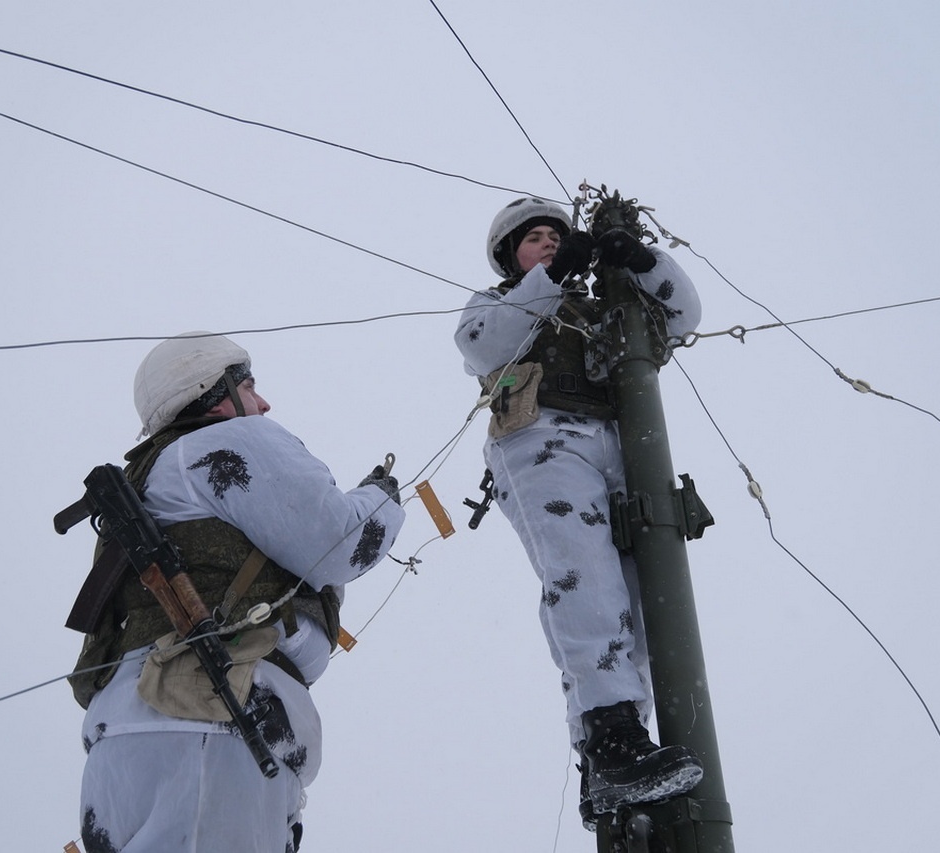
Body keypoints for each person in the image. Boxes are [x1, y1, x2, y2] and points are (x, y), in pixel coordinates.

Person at [66, 332, 405, 853]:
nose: (264, 403)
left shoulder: (149, 477)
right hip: (212, 721)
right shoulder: (226, 442)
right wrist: (380, 499)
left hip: (124, 738)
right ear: (211, 391)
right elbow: (339, 544)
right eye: (249, 386)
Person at [454, 198, 704, 828]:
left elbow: (683, 315)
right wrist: (555, 273)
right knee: (583, 577)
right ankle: (611, 735)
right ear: (512, 255)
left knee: (646, 595)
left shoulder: (606, 309)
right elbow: (484, 347)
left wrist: (641, 262)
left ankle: (613, 757)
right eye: (533, 239)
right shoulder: (500, 305)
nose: (544, 244)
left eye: (555, 237)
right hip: (540, 437)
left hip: (621, 446)